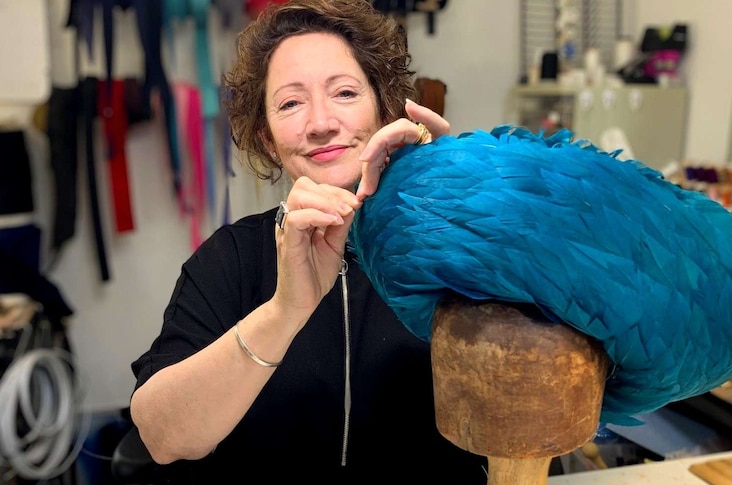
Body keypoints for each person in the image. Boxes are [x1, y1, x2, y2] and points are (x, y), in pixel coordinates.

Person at [128, 0, 488, 483]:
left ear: (384, 108)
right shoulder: (229, 259)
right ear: (268, 137)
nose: (320, 122)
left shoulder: (455, 243)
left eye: (343, 93)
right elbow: (161, 438)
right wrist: (284, 311)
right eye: (291, 103)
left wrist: (479, 213)